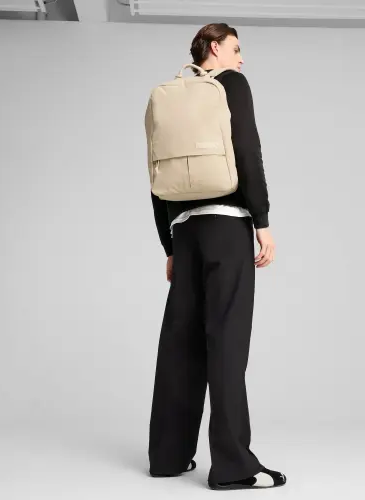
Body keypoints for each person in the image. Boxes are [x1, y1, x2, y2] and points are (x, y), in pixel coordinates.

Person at [148, 23, 286, 491]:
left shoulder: (171, 95)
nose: (241, 59)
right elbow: (247, 149)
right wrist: (262, 221)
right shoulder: (231, 84)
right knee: (226, 343)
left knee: (180, 343)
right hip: (228, 227)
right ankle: (233, 467)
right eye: (236, 48)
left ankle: (167, 457)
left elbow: (155, 172)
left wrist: (169, 244)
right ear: (214, 48)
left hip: (185, 231)